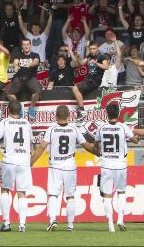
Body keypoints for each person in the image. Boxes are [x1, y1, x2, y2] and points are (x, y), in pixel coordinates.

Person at [30, 105, 98, 232]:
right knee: (70, 196)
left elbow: (41, 147)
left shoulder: (51, 129)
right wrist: (98, 153)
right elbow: (86, 145)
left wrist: (31, 162)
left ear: (56, 115)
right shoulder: (74, 129)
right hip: (70, 166)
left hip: (55, 165)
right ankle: (70, 225)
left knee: (53, 194)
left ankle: (53, 220)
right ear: (69, 115)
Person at [0, 99, 33, 233]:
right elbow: (30, 145)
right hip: (24, 161)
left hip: (9, 161)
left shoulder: (4, 122)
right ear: (20, 110)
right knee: (22, 193)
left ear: (8, 110)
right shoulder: (26, 123)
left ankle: (6, 223)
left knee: (5, 190)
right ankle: (22, 225)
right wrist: (30, 159)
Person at [95, 103, 139, 232]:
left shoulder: (101, 128)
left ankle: (110, 224)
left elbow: (96, 144)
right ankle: (120, 219)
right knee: (121, 192)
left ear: (107, 113)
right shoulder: (123, 127)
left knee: (107, 195)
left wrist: (99, 148)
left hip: (106, 165)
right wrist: (133, 137)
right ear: (118, 113)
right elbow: (135, 141)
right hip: (120, 164)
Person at [72, 41, 110, 119]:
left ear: (97, 49)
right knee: (75, 86)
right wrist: (77, 57)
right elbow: (81, 63)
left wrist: (96, 63)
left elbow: (106, 67)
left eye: (94, 49)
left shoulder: (101, 56)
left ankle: (82, 111)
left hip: (95, 81)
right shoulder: (89, 56)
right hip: (88, 79)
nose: (92, 50)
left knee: (75, 88)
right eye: (91, 49)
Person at [5, 39, 42, 118]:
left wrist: (29, 65)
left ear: (30, 45)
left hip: (31, 77)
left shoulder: (35, 55)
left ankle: (31, 107)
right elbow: (15, 62)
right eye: (24, 44)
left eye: (27, 44)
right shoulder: (18, 55)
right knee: (8, 92)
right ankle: (19, 108)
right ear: (22, 46)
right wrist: (15, 66)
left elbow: (36, 61)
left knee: (38, 91)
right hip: (20, 77)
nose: (26, 46)